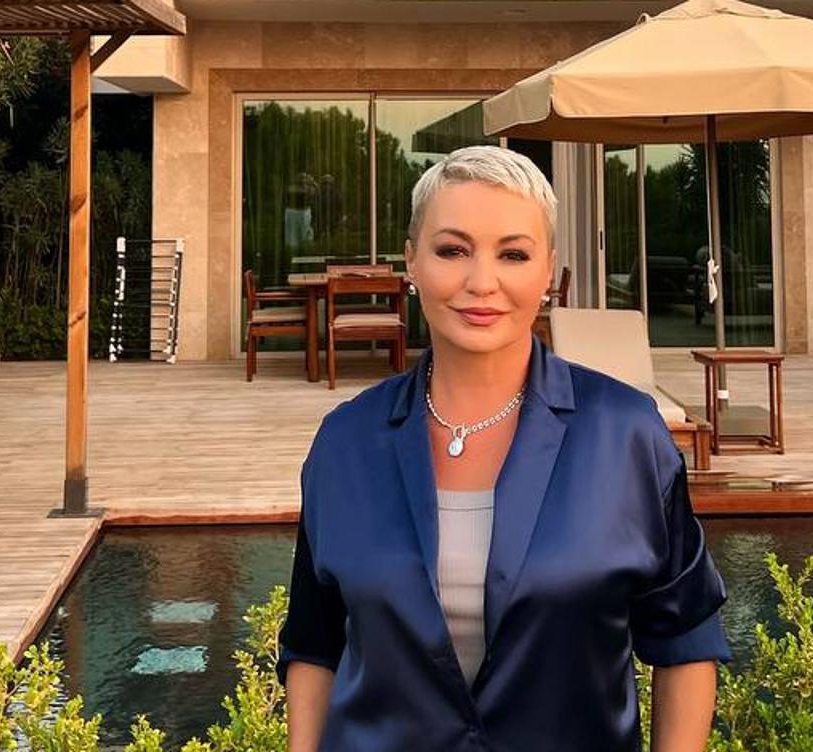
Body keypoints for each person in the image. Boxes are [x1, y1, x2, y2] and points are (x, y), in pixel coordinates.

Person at [277, 145, 729, 752]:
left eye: (513, 254)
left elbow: (685, 640)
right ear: (412, 262)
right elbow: (313, 646)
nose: (481, 282)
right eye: (452, 250)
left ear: (548, 273)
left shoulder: (625, 436)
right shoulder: (346, 443)